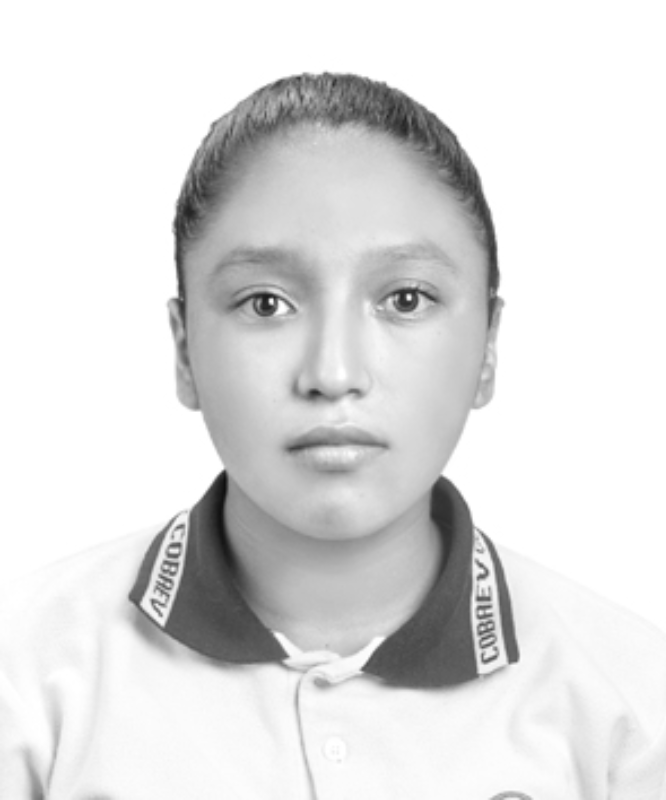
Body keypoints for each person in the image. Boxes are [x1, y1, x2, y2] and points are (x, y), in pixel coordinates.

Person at [1, 72, 664, 799]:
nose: (333, 373)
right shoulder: (27, 676)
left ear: (488, 348)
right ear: (185, 350)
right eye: (266, 303)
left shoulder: (632, 702)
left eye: (405, 298)